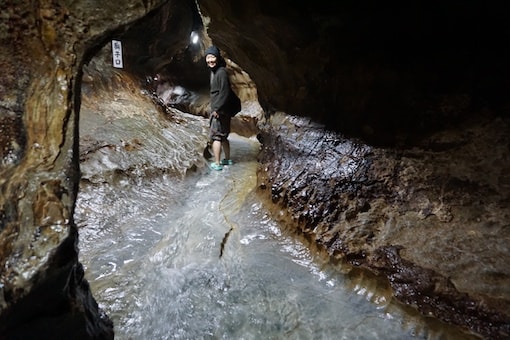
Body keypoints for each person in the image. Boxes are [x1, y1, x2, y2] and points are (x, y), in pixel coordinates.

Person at [205, 45, 234, 171]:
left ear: (217, 58)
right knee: (223, 136)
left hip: (220, 111)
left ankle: (217, 163)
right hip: (223, 110)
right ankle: (227, 159)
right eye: (208, 57)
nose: (210, 60)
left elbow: (225, 92)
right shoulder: (216, 71)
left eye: (212, 57)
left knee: (216, 137)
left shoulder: (221, 72)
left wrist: (217, 109)